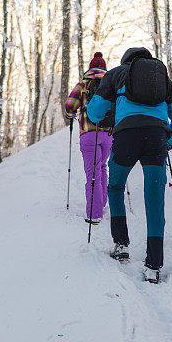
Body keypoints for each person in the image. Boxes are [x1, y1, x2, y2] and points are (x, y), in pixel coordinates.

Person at [86, 47, 172, 283]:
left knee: (115, 186)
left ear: (126, 62)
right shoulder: (162, 78)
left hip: (127, 136)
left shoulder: (116, 74)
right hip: (156, 138)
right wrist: (167, 143)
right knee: (154, 197)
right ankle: (153, 265)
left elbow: (94, 114)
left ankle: (121, 244)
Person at [64, 52, 113, 224]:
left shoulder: (83, 84)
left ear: (91, 68)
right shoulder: (111, 84)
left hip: (89, 133)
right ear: (104, 68)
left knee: (92, 173)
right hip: (108, 134)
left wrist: (71, 114)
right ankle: (103, 203)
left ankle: (94, 214)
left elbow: (70, 105)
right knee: (102, 167)